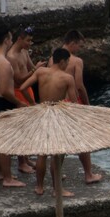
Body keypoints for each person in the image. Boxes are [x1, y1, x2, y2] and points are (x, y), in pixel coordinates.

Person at [20, 47, 77, 196]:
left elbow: (23, 87)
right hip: (57, 113)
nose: (68, 64)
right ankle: (57, 189)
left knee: (42, 153)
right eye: (68, 61)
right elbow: (73, 103)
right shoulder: (67, 78)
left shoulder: (40, 72)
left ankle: (39, 187)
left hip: (42, 111)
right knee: (57, 153)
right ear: (63, 61)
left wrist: (32, 103)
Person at [57, 29, 102, 184]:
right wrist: (88, 105)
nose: (79, 50)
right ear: (72, 43)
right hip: (73, 102)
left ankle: (57, 172)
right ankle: (89, 174)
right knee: (83, 139)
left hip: (58, 103)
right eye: (79, 46)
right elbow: (79, 85)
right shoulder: (76, 61)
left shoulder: (53, 58)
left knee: (61, 140)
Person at [0, 28, 28, 188]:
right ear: (5, 40)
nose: (11, 42)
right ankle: (8, 178)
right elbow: (5, 91)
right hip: (3, 101)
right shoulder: (4, 63)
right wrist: (18, 102)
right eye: (10, 39)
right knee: (5, 142)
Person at [7, 25, 46, 174]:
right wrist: (35, 70)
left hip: (28, 90)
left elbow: (30, 67)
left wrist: (39, 69)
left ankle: (27, 157)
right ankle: (21, 163)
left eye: (31, 41)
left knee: (29, 128)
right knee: (21, 129)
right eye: (28, 40)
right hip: (18, 92)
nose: (30, 43)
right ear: (19, 39)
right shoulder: (11, 56)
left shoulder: (24, 51)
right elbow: (18, 80)